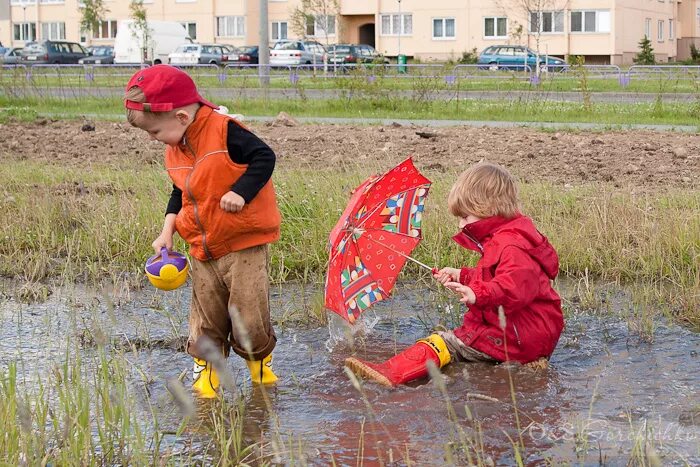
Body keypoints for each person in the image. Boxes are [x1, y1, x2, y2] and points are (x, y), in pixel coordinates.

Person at [124, 65, 281, 398]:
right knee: (205, 315)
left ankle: (260, 370)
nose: (154, 140)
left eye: (155, 133)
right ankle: (206, 375)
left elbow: (264, 157)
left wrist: (241, 191)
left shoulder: (226, 132)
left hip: (243, 246)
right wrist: (167, 231)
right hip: (202, 249)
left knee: (248, 314)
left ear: (181, 117)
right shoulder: (177, 146)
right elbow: (178, 191)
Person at [345, 162, 564, 387]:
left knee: (445, 342)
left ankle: (390, 373)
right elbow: (497, 276)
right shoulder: (508, 237)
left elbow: (513, 289)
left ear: (487, 208)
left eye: (465, 217)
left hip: (519, 338)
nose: (460, 225)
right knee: (460, 346)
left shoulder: (510, 245)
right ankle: (508, 365)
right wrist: (462, 276)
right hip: (527, 331)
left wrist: (476, 294)